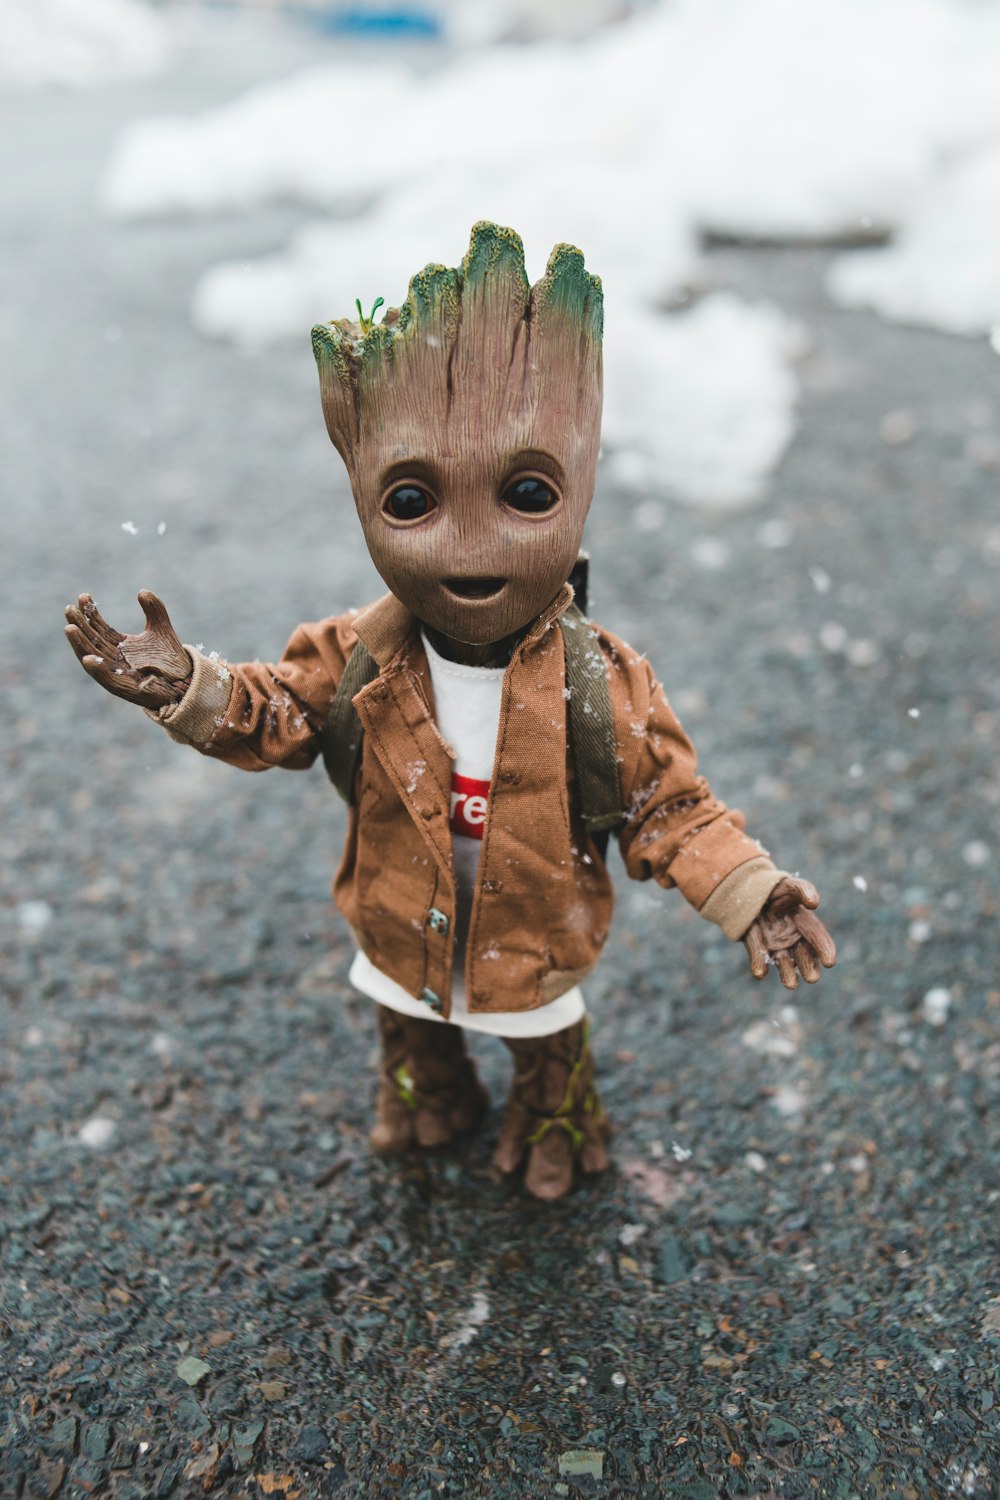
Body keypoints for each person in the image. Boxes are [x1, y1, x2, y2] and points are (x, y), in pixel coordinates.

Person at [65, 222, 835, 1200]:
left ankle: (554, 1109)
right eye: (411, 499)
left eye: (525, 491)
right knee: (408, 1028)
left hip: (536, 937)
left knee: (545, 1044)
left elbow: (668, 808)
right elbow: (280, 713)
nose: (470, 543)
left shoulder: (600, 682)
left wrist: (748, 889)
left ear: (583, 477)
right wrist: (189, 687)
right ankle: (429, 1087)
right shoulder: (355, 655)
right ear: (357, 493)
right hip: (397, 926)